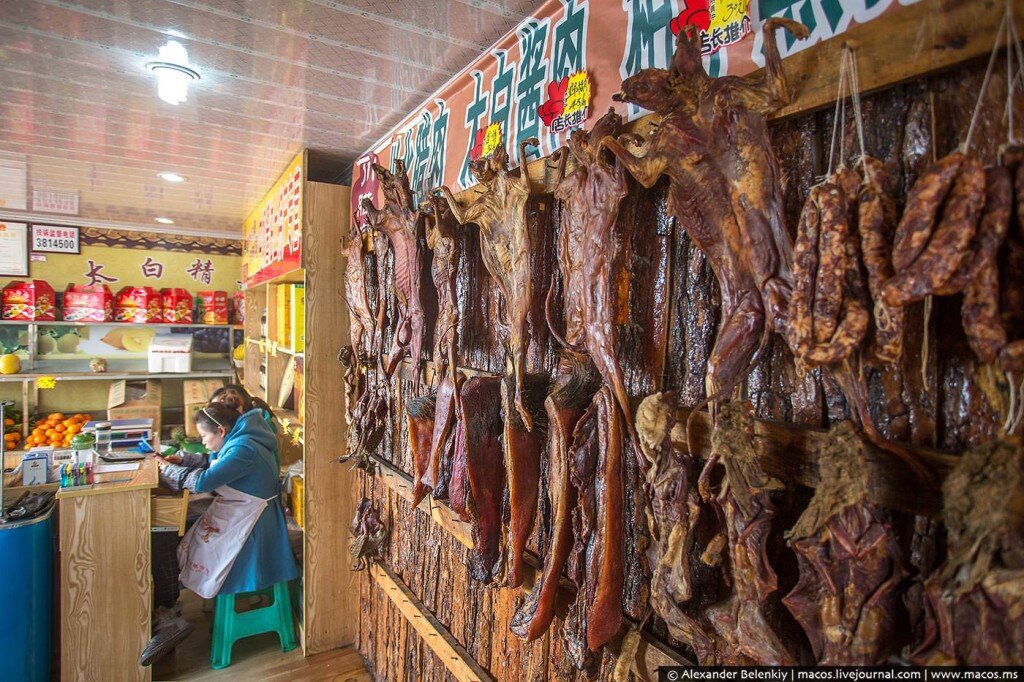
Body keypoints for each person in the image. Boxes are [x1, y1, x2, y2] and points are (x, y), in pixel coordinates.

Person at [140, 402, 299, 666]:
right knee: (175, 529)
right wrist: (183, 461)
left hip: (252, 527)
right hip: (246, 514)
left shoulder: (244, 448)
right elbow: (213, 461)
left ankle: (167, 614)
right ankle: (168, 611)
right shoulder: (244, 438)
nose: (203, 442)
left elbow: (203, 481)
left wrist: (167, 470)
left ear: (221, 430)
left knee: (166, 535)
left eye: (204, 436)